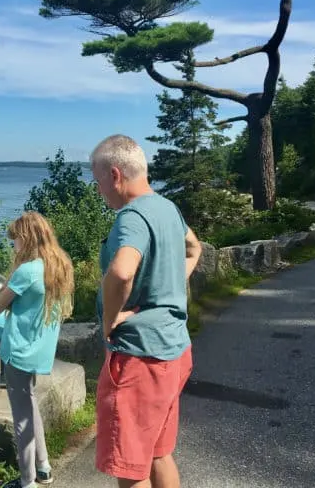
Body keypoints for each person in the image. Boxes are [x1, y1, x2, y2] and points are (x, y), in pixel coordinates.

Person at [90, 134, 203, 488]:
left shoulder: (132, 216)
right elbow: (193, 248)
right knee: (158, 451)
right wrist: (168, 285)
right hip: (174, 351)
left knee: (131, 465)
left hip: (140, 359)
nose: (99, 191)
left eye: (98, 182)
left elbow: (122, 271)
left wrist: (109, 321)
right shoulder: (167, 207)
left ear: (115, 174)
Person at [0, 211, 75, 488]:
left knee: (22, 418)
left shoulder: (26, 271)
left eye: (14, 239)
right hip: (40, 351)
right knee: (30, 405)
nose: (12, 244)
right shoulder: (58, 265)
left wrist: (12, 272)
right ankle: (44, 467)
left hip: (18, 352)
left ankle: (27, 481)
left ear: (25, 238)